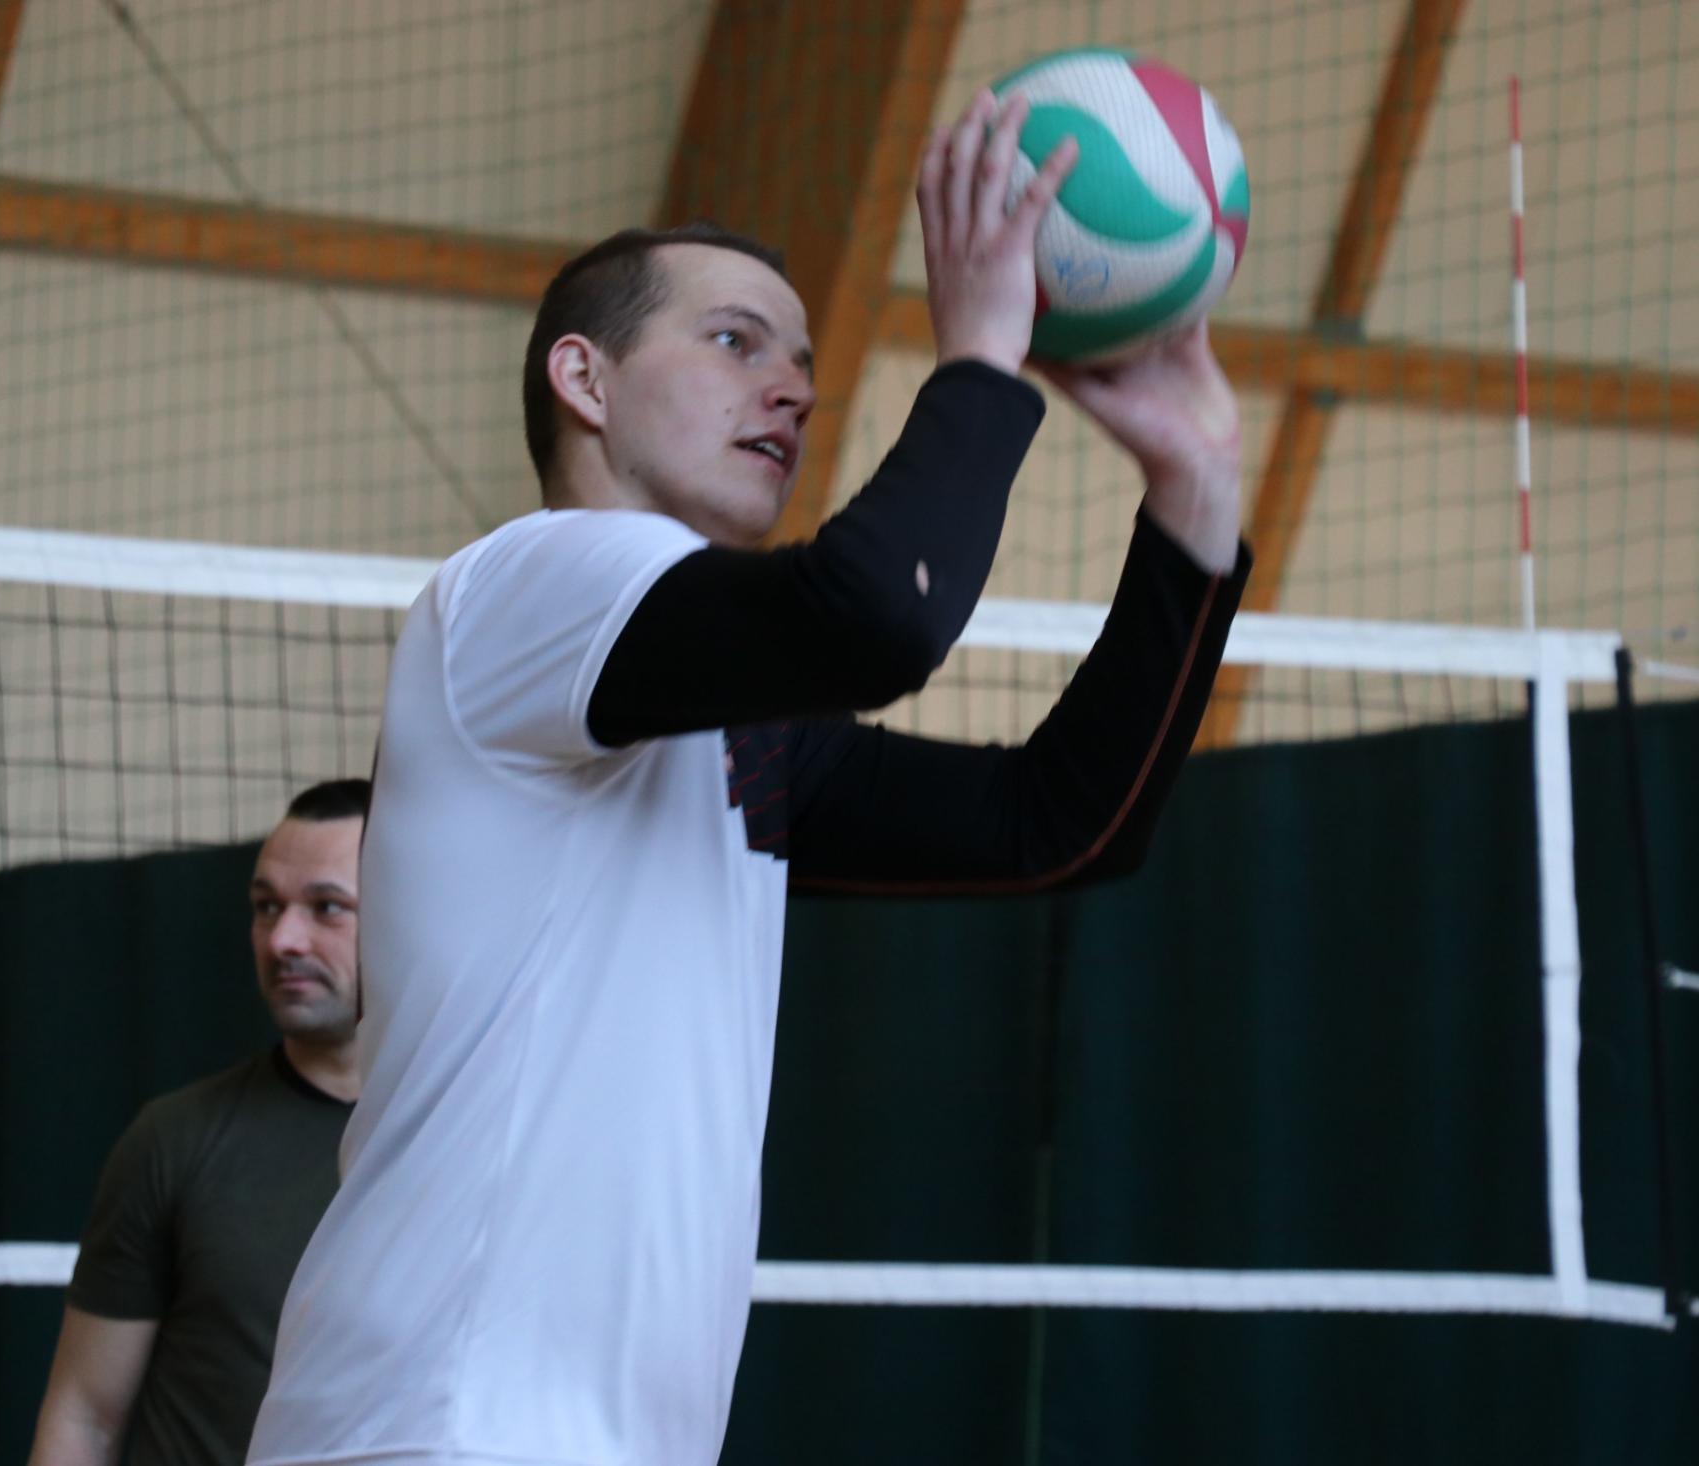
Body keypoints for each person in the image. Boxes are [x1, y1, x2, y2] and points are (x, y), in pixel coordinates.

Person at [250, 91, 1251, 1466]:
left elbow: (1061, 826)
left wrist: (1197, 492)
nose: (788, 386)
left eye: (801, 363)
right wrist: (978, 357)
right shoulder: (525, 583)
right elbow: (879, 614)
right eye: (734, 342)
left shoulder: (729, 738)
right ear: (584, 380)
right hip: (435, 1426)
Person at [28, 779, 370, 1466]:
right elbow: (83, 1417)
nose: (284, 940)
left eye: (326, 907)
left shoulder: (476, 1146)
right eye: (266, 907)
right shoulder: (175, 1141)